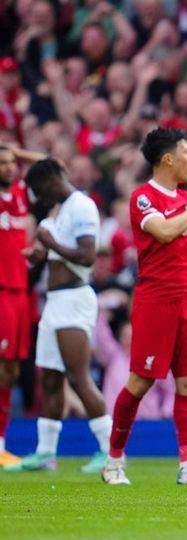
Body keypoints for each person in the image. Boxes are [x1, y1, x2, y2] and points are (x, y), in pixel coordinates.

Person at [101, 127, 187, 486]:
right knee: (140, 383)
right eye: (186, 153)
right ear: (168, 159)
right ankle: (113, 460)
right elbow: (164, 232)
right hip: (156, 301)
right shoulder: (143, 197)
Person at [5, 158, 112, 473]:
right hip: (55, 301)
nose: (39, 198)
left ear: (53, 179)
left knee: (78, 377)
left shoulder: (81, 206)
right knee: (50, 379)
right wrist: (44, 253)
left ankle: (110, 451)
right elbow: (67, 253)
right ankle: (46, 453)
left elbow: (88, 255)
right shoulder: (63, 211)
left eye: (39, 189)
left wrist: (50, 242)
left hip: (74, 299)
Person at [0, 145, 44, 466]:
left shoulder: (19, 193)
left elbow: (51, 166)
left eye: (11, 163)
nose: (10, 167)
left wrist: (17, 151)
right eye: (2, 163)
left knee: (11, 371)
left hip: (20, 294)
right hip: (0, 291)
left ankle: (0, 446)